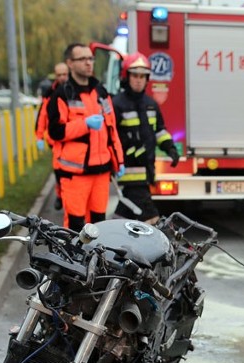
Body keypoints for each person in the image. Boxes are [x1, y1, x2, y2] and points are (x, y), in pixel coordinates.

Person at [47, 43, 124, 232]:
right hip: (76, 175)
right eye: (83, 59)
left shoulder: (101, 92)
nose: (89, 63)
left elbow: (111, 128)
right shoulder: (62, 94)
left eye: (90, 58)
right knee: (75, 226)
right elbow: (55, 132)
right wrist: (84, 125)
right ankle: (73, 261)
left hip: (101, 171)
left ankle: (96, 262)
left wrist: (119, 160)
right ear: (70, 63)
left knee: (99, 225)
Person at [111, 52, 179, 224]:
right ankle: (161, 249)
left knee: (123, 216)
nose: (139, 80)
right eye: (135, 75)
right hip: (129, 171)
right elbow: (111, 136)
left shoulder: (150, 104)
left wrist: (170, 147)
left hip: (147, 169)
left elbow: (159, 131)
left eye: (142, 76)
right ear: (126, 76)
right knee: (151, 218)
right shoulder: (117, 104)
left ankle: (109, 242)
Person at [35, 62, 69, 210]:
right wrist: (39, 137)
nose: (62, 77)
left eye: (64, 74)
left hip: (71, 137)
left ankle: (65, 197)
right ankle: (60, 196)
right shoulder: (50, 93)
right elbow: (42, 116)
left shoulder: (74, 90)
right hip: (56, 140)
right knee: (58, 170)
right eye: (59, 75)